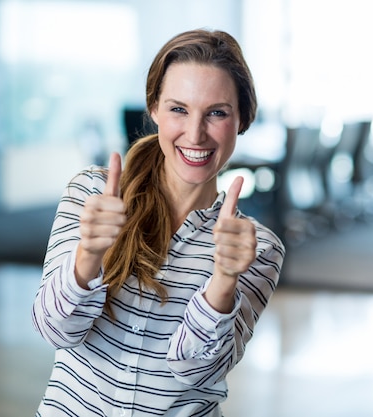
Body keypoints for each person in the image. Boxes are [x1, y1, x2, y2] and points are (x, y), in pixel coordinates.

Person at [32, 28, 285, 416]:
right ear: (153, 108)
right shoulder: (92, 195)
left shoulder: (256, 248)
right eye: (178, 109)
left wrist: (223, 281)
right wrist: (90, 255)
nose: (195, 133)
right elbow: (56, 330)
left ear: (243, 120)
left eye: (217, 112)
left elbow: (196, 372)